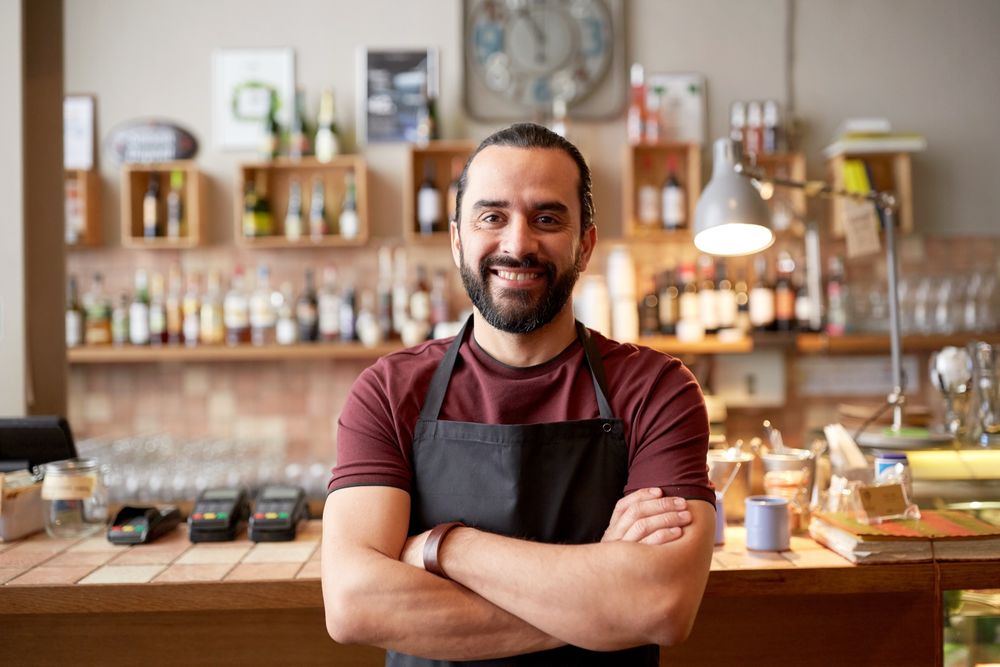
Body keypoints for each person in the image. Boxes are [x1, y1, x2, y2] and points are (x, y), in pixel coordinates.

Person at [322, 123, 715, 666]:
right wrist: (599, 600)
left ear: (585, 245)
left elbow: (659, 606)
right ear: (457, 240)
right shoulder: (388, 392)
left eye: (547, 219)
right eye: (492, 217)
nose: (517, 244)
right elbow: (353, 605)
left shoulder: (657, 389)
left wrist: (444, 547)